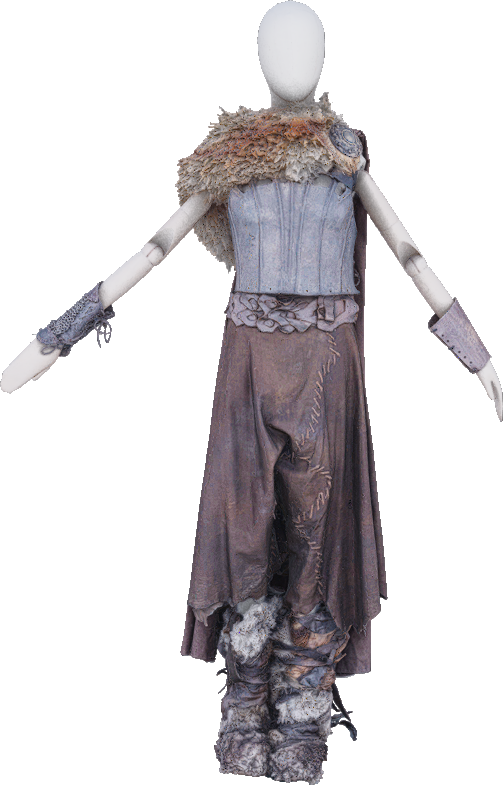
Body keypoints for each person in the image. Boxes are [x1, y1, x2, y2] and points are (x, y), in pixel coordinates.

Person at [1, 3, 500, 783]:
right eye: (277, 44)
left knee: (318, 533)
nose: (293, 58)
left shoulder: (344, 152)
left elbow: (407, 252)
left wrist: (472, 352)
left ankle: (301, 721)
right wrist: (56, 337)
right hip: (249, 362)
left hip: (328, 367)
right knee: (242, 532)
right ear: (259, 56)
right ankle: (242, 713)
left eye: (307, 44)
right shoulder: (227, 157)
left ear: (326, 54)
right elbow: (155, 247)